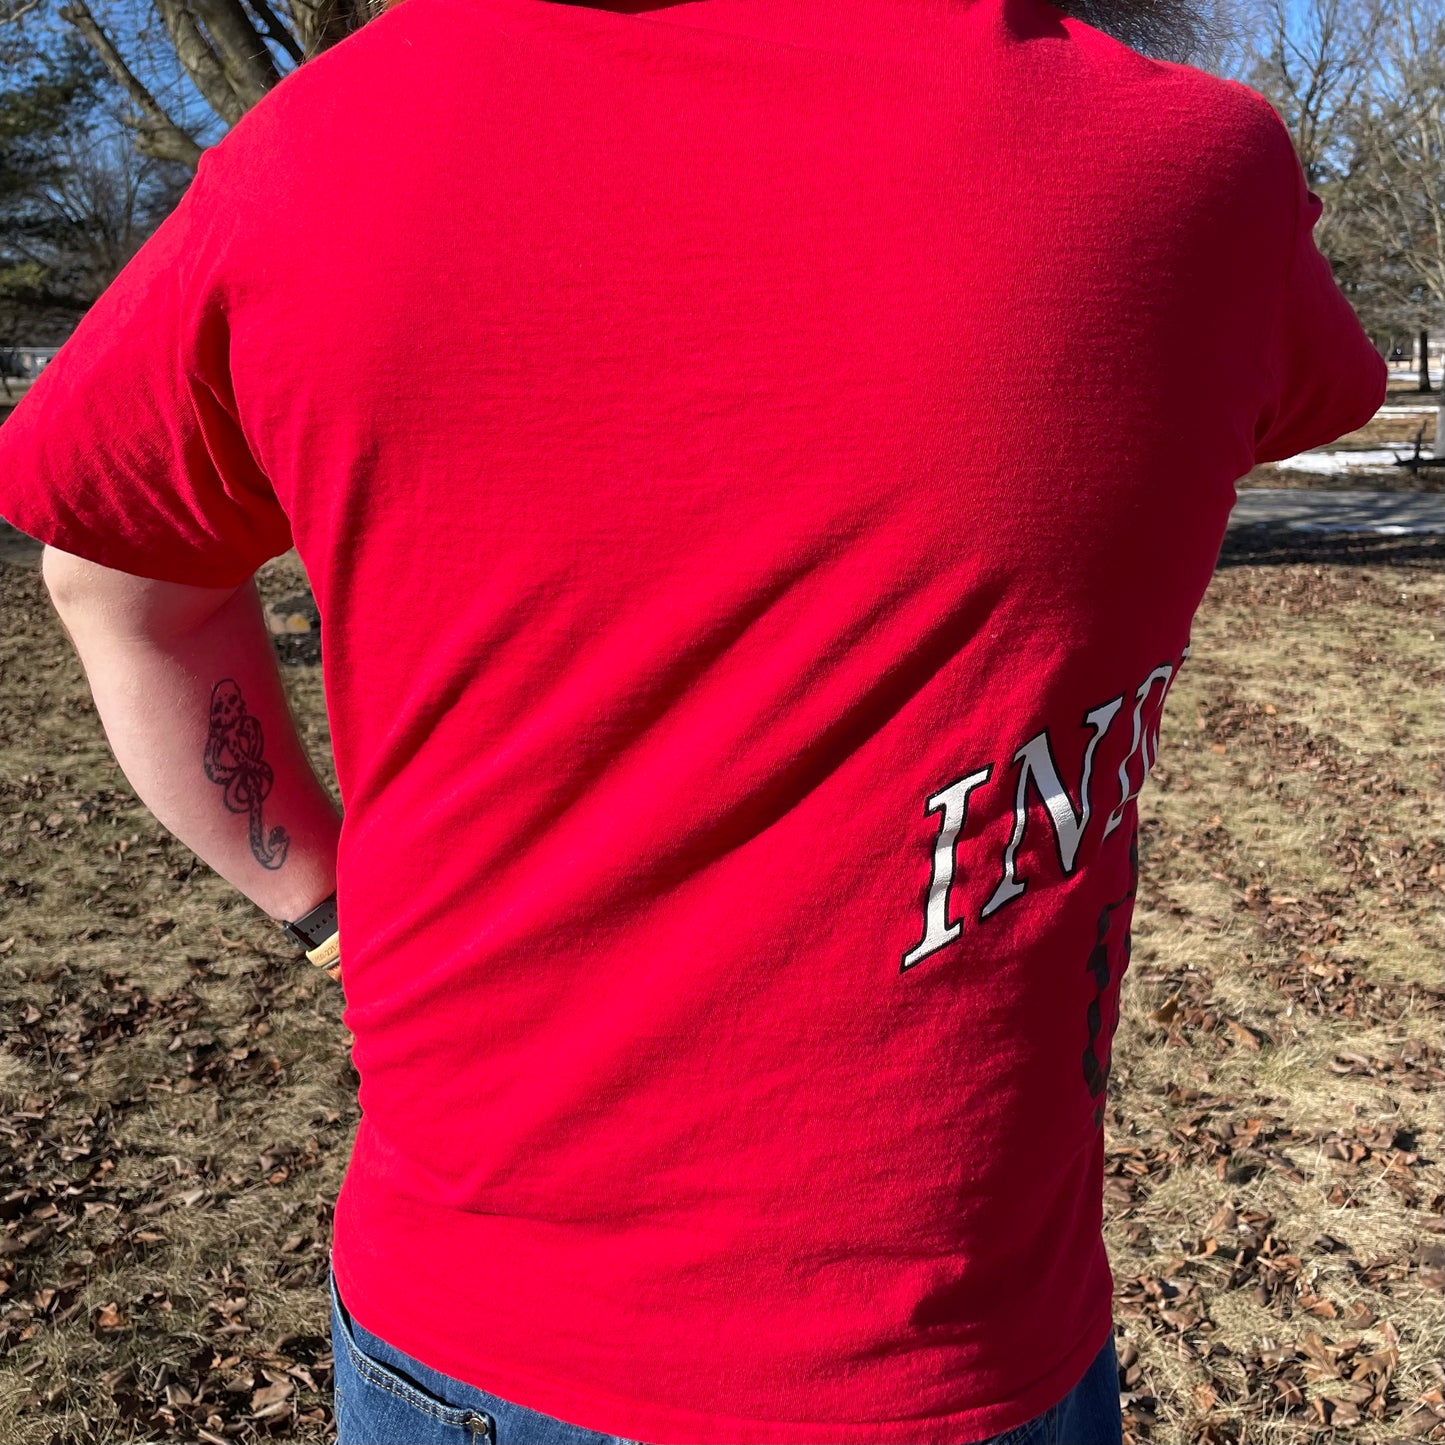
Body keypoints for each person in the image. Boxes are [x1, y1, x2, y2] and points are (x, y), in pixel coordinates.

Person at [0, 0, 1385, 1436]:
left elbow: (112, 581)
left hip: (480, 1334)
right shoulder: (1189, 172)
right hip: (959, 1351)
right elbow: (1303, 380)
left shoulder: (319, 153)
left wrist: (323, 907)